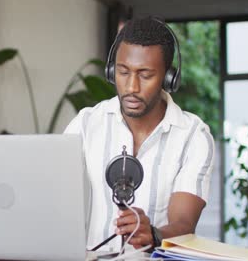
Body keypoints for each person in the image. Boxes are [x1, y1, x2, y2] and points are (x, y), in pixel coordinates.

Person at [64, 16, 214, 252]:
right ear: (112, 71)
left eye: (145, 75)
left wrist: (154, 234)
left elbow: (184, 224)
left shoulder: (193, 136)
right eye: (123, 72)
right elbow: (56, 202)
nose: (132, 87)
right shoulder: (85, 124)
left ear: (168, 78)